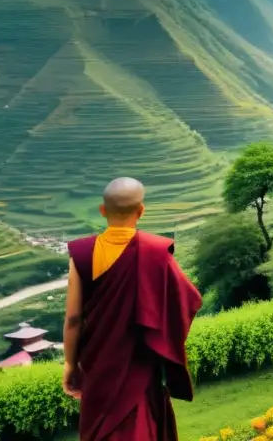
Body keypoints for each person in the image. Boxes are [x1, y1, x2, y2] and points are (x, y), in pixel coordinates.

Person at [63, 178, 203, 440]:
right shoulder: (156, 252)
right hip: (141, 366)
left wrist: (70, 364)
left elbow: (73, 319)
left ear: (102, 210)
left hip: (98, 369)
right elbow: (188, 300)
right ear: (141, 211)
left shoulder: (82, 254)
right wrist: (162, 340)